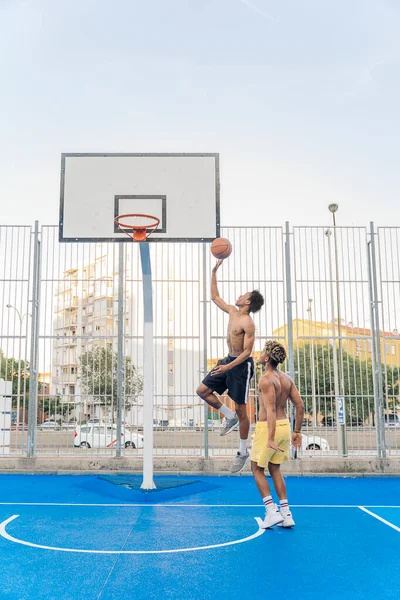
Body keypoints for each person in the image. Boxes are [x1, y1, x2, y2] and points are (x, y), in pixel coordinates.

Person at [196, 259, 264, 473]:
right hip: (227, 361)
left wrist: (228, 368)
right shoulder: (233, 313)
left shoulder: (248, 324)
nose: (240, 296)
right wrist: (214, 271)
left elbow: (247, 353)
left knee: (243, 410)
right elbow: (215, 296)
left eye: (244, 295)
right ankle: (228, 415)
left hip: (241, 366)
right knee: (202, 391)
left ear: (248, 303)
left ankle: (243, 452)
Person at [251, 340, 304, 528]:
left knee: (256, 468)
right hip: (285, 426)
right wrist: (297, 431)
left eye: (262, 351)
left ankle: (271, 511)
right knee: (275, 469)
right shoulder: (287, 379)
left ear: (266, 358)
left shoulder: (266, 379)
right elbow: (300, 405)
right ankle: (286, 514)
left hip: (268, 427)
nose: (259, 354)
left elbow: (271, 409)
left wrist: (270, 437)